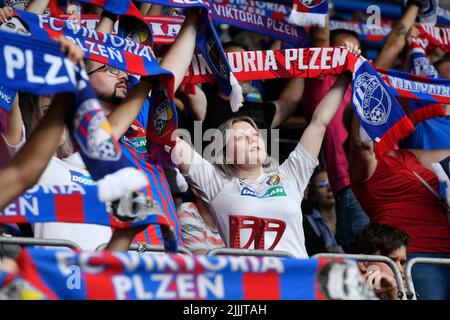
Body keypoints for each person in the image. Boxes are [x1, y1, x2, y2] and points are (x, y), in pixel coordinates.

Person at [172, 41, 360, 258]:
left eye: (255, 135)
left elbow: (319, 122)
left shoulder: (290, 175)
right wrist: (153, 80)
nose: (253, 140)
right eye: (241, 138)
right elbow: (170, 136)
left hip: (296, 282)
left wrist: (345, 74)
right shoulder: (215, 180)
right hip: (249, 285)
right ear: (225, 152)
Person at [345, 105, 450, 300]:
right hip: (416, 257)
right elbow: (360, 143)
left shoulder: (407, 155)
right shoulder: (366, 165)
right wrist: (366, 97)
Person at [354, 223, 410, 300]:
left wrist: (394, 292)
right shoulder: (342, 291)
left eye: (402, 263)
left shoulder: (407, 292)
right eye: (390, 261)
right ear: (363, 262)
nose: (400, 270)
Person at [303, 169, 343, 256]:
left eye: (331, 182)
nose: (329, 188)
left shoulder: (347, 216)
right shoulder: (307, 224)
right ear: (313, 195)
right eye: (322, 185)